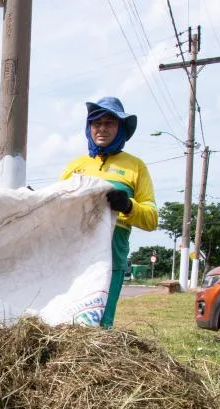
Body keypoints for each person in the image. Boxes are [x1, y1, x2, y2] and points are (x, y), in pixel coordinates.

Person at [60, 97, 158, 328]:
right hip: (75, 248)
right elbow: (57, 205)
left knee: (100, 317)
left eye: (109, 123)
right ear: (89, 128)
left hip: (112, 249)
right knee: (67, 314)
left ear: (121, 128)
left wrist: (128, 206)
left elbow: (152, 218)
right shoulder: (75, 166)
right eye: (96, 123)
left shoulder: (136, 167)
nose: (102, 128)